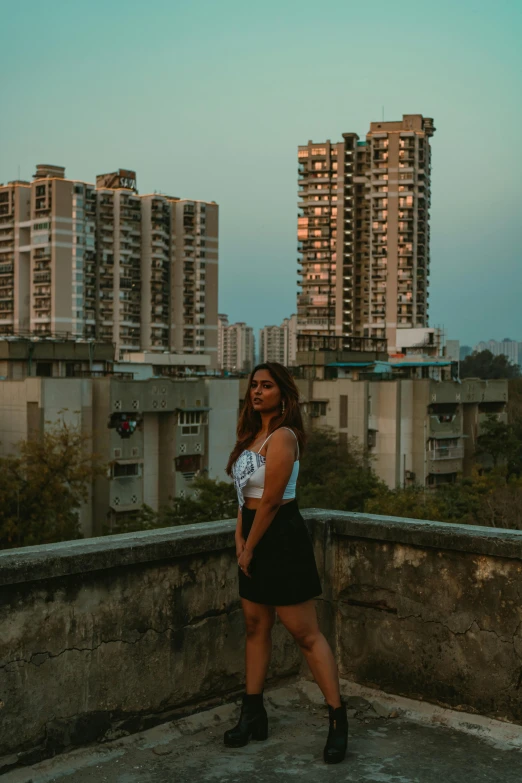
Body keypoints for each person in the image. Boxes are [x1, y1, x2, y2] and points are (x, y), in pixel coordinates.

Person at [223, 362, 347, 764]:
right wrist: (240, 536)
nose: (257, 392)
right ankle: (253, 714)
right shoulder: (250, 438)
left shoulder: (284, 437)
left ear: (283, 394)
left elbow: (273, 500)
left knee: (304, 632)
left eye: (266, 386)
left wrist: (250, 546)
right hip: (253, 534)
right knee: (256, 626)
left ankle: (337, 719)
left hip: (281, 537)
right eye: (253, 386)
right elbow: (245, 498)